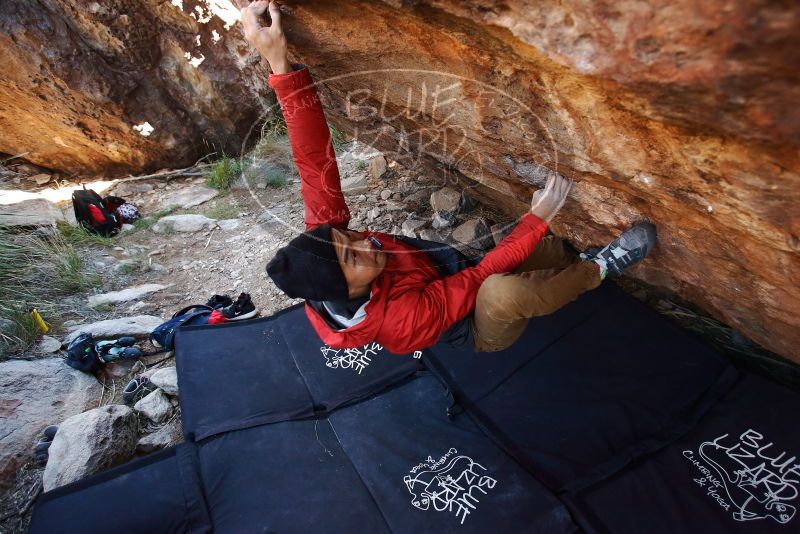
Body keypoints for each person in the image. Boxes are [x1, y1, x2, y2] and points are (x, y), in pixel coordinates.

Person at [237, 0, 657, 354]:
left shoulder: (326, 243)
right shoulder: (400, 324)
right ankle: (597, 271)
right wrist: (538, 215)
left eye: (347, 236)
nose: (366, 241)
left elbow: (313, 161)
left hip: (452, 272)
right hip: (470, 325)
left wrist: (278, 61)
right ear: (346, 292)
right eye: (353, 256)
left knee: (545, 253)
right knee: (502, 291)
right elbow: (476, 282)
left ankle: (565, 266)